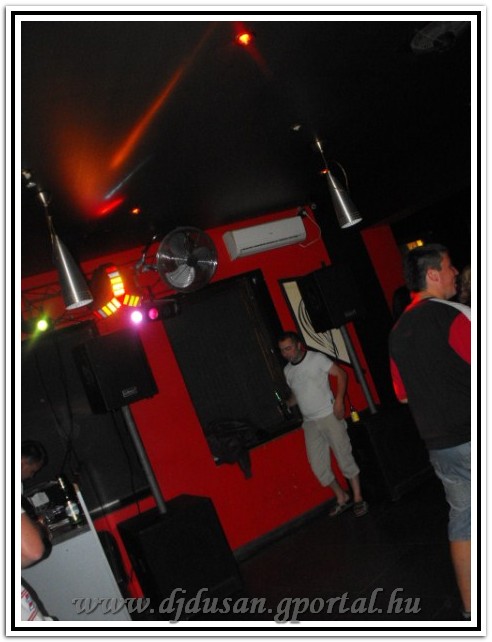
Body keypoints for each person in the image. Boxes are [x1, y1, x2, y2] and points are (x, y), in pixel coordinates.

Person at [388, 244, 471, 619]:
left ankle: (473, 610)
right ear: (433, 273)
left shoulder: (397, 332)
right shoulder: (455, 315)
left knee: (464, 522)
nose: (455, 273)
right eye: (450, 267)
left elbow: (403, 395)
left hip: (441, 446)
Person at [278, 331, 368, 518]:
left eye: (289, 348)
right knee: (318, 467)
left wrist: (339, 401)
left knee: (344, 457)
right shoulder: (288, 371)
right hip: (309, 423)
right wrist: (287, 404)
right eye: (283, 350)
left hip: (328, 416)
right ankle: (342, 497)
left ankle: (358, 497)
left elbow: (341, 374)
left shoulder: (316, 358)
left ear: (298, 345)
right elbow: (297, 394)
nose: (286, 353)